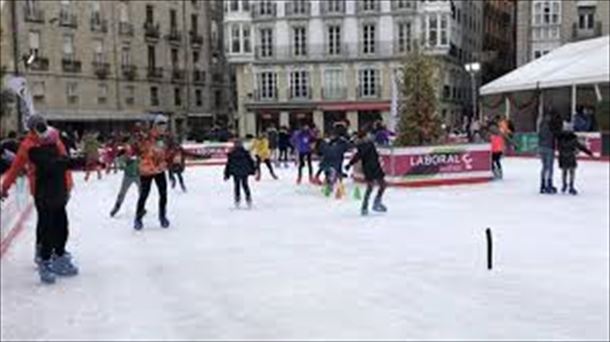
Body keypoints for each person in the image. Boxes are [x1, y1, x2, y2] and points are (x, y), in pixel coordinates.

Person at [1, 115, 77, 284]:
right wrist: (4, 187)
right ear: (31, 128)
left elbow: (64, 162)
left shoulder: (55, 138)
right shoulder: (27, 145)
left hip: (60, 189)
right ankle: (43, 255)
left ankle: (58, 255)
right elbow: (15, 168)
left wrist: (69, 184)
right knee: (46, 224)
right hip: (42, 190)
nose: (41, 128)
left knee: (60, 223)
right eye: (37, 125)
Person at [134, 115, 171, 230]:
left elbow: (167, 152)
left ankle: (162, 216)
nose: (163, 128)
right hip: (147, 170)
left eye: (165, 126)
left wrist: (168, 160)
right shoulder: (147, 136)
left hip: (160, 169)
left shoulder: (165, 138)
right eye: (161, 125)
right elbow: (139, 148)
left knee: (163, 194)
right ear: (156, 125)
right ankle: (138, 218)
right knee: (144, 195)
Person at [345, 131, 387, 216]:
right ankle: (366, 206)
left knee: (381, 185)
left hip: (375, 166)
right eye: (366, 136)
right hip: (370, 168)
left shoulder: (367, 144)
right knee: (372, 186)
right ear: (363, 137)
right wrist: (350, 164)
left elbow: (359, 155)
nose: (368, 136)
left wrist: (349, 164)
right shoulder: (366, 145)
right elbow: (358, 155)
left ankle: (375, 203)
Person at [556, 121, 594, 195]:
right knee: (571, 172)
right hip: (571, 156)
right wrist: (589, 153)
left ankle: (564, 185)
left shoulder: (560, 138)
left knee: (564, 171)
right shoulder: (573, 138)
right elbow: (580, 147)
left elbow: (559, 148)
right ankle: (571, 186)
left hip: (563, 156)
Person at [110, 138, 140, 217]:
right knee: (122, 192)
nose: (128, 149)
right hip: (128, 176)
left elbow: (142, 161)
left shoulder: (137, 152)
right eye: (126, 147)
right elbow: (121, 166)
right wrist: (126, 163)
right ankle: (117, 207)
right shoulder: (122, 156)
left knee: (142, 192)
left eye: (129, 146)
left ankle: (141, 207)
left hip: (138, 175)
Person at [224, 139, 256, 208]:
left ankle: (237, 199)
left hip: (236, 172)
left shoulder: (232, 154)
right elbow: (251, 162)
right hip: (244, 172)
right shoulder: (246, 153)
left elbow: (228, 165)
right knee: (245, 185)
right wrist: (253, 170)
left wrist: (226, 174)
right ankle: (248, 199)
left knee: (237, 186)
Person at [538, 110, 561, 194]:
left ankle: (543, 184)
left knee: (544, 167)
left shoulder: (541, 124)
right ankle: (549, 184)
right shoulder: (552, 125)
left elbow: (540, 135)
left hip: (541, 147)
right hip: (549, 147)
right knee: (549, 167)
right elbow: (555, 134)